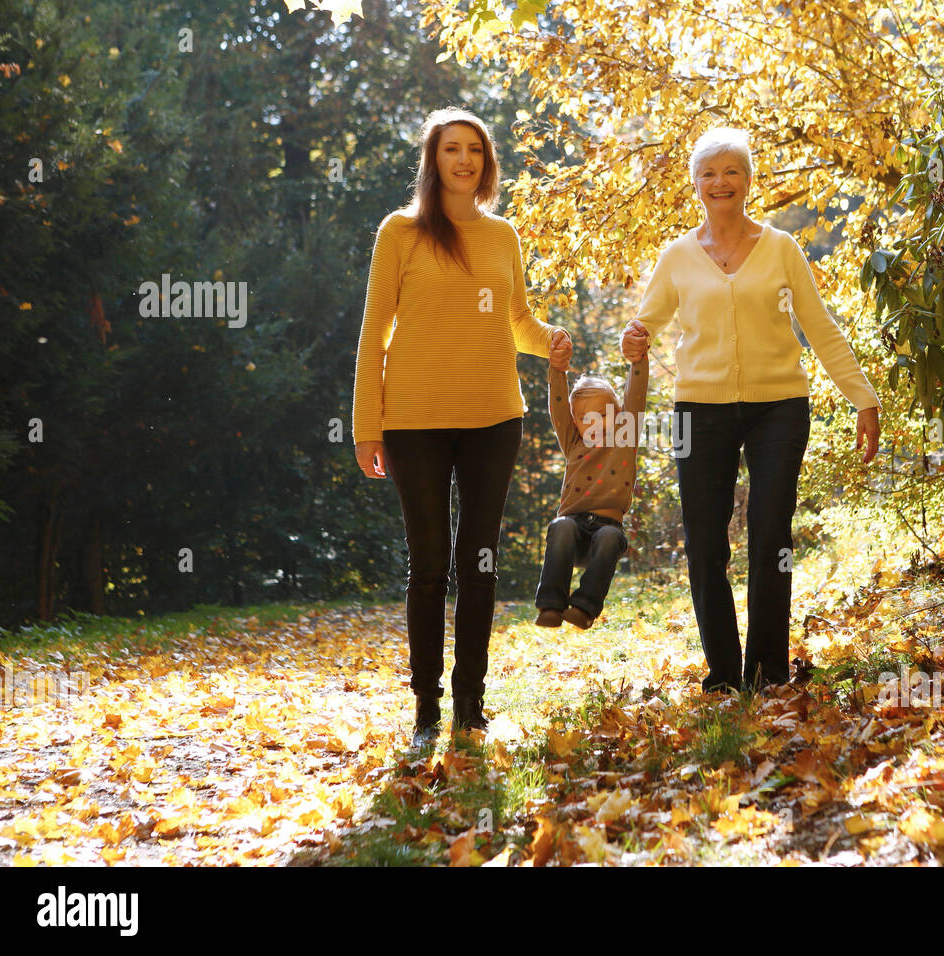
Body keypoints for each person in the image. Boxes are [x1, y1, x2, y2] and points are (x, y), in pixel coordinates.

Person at [622, 127, 881, 693]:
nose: (721, 182)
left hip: (779, 406)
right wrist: (633, 340)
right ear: (695, 184)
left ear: (748, 181)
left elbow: (819, 326)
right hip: (698, 409)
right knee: (705, 539)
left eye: (732, 171)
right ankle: (722, 673)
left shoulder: (782, 249)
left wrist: (863, 397)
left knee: (771, 532)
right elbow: (646, 324)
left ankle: (766, 671)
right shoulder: (678, 256)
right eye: (709, 173)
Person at [352, 107, 571, 746]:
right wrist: (367, 427)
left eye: (475, 149)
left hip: (493, 419)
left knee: (480, 562)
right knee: (429, 564)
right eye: (452, 149)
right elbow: (374, 333)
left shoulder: (502, 236)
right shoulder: (401, 232)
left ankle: (471, 704)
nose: (465, 160)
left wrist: (548, 340)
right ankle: (426, 708)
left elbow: (515, 320)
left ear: (486, 161)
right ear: (434, 159)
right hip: (414, 423)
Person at [534, 331, 649, 629]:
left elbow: (636, 395)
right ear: (575, 422)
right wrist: (557, 368)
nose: (594, 422)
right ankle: (550, 606)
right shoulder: (573, 442)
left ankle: (584, 608)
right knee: (560, 526)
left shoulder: (625, 438)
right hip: (573, 533)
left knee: (610, 536)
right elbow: (558, 406)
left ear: (620, 414)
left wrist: (638, 361)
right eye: (585, 417)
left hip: (606, 532)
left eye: (604, 414)